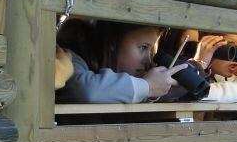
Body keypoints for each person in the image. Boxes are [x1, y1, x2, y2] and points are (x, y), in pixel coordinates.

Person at [56, 19, 186, 103]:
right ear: (114, 42)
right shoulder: (69, 58)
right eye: (143, 47)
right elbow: (87, 91)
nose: (148, 59)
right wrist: (147, 86)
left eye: (150, 51)